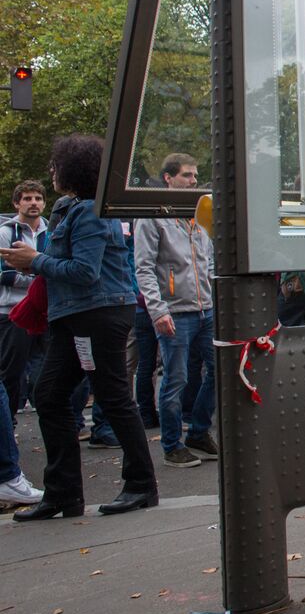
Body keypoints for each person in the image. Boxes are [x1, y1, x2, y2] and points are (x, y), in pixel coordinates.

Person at [5, 136, 157, 520]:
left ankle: (140, 485)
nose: (52, 172)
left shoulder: (89, 212)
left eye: (56, 165)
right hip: (76, 314)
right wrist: (36, 261)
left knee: (112, 395)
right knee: (51, 395)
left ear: (72, 169)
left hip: (98, 313)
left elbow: (85, 273)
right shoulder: (71, 210)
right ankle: (62, 494)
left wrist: (35, 260)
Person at [134, 154, 219, 469]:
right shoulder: (153, 215)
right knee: (176, 378)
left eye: (195, 175)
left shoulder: (198, 215)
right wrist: (158, 310)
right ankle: (172, 444)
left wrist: (214, 298)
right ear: (168, 178)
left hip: (205, 308)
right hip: (175, 311)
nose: (193, 181)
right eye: (187, 175)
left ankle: (198, 432)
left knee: (218, 370)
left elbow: (207, 260)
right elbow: (143, 268)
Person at [2, 181, 48, 418]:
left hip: (45, 310)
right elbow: (4, 274)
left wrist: (33, 268)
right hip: (13, 311)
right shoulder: (5, 233)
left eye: (38, 198)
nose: (33, 203)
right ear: (16, 203)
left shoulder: (51, 231)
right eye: (28, 198)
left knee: (48, 370)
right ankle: (8, 425)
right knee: (11, 373)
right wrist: (40, 273)